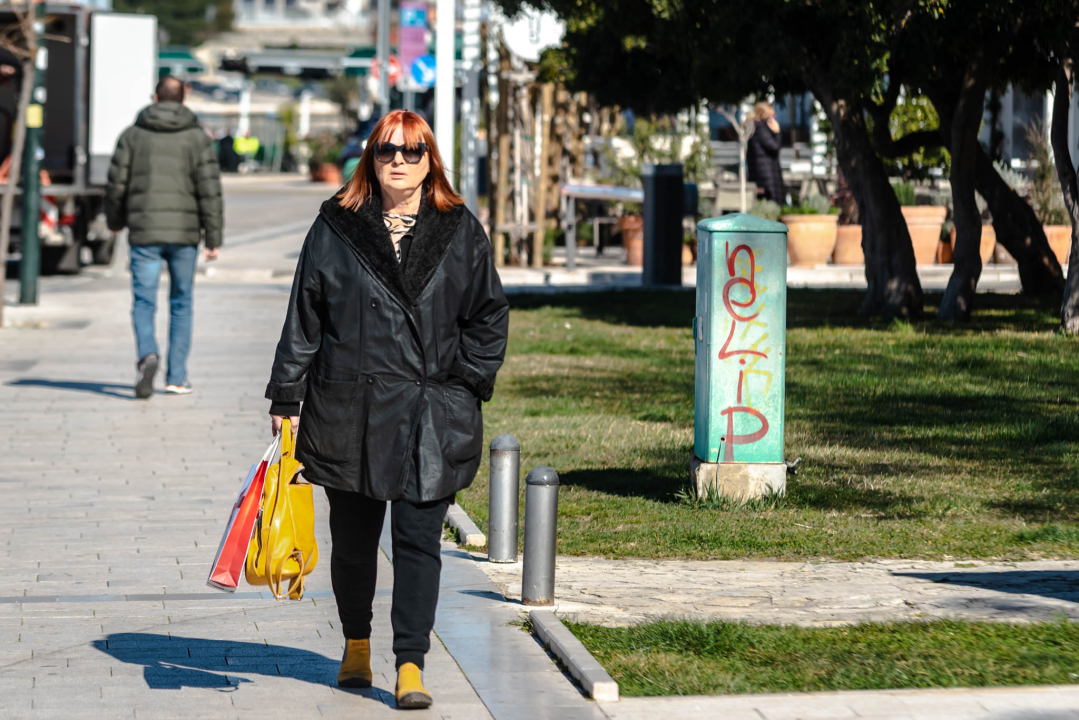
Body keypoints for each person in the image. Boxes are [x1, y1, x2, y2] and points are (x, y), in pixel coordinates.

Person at [265, 110, 508, 709]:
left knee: (418, 541)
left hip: (431, 410)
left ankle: (410, 664)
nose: (398, 161)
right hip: (349, 406)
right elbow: (305, 317)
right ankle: (355, 644)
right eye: (386, 151)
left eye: (412, 151)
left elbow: (488, 316)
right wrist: (285, 396)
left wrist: (467, 382)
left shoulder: (458, 230)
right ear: (370, 159)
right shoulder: (336, 226)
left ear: (431, 160)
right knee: (351, 543)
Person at [105, 75, 223, 399]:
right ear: (183, 99)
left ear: (155, 98)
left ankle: (147, 355)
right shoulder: (198, 139)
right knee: (181, 303)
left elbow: (116, 185)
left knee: (144, 301)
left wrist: (115, 222)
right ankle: (177, 377)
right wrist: (213, 236)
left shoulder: (132, 136)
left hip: (144, 233)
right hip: (185, 236)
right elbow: (210, 191)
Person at [746, 101, 786, 205]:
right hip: (766, 177)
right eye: (772, 116)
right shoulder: (760, 128)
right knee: (772, 204)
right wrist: (777, 132)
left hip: (764, 175)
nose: (774, 118)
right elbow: (774, 147)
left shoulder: (755, 127)